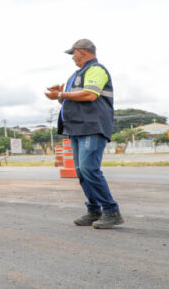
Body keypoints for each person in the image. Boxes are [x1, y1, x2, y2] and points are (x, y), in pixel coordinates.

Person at [45, 39, 122, 229]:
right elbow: (71, 101)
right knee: (81, 171)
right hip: (76, 127)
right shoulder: (75, 75)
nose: (72, 58)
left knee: (89, 169)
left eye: (74, 54)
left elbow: (90, 95)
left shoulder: (96, 69)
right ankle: (94, 210)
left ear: (82, 52)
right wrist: (60, 96)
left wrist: (62, 95)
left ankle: (111, 211)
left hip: (92, 126)